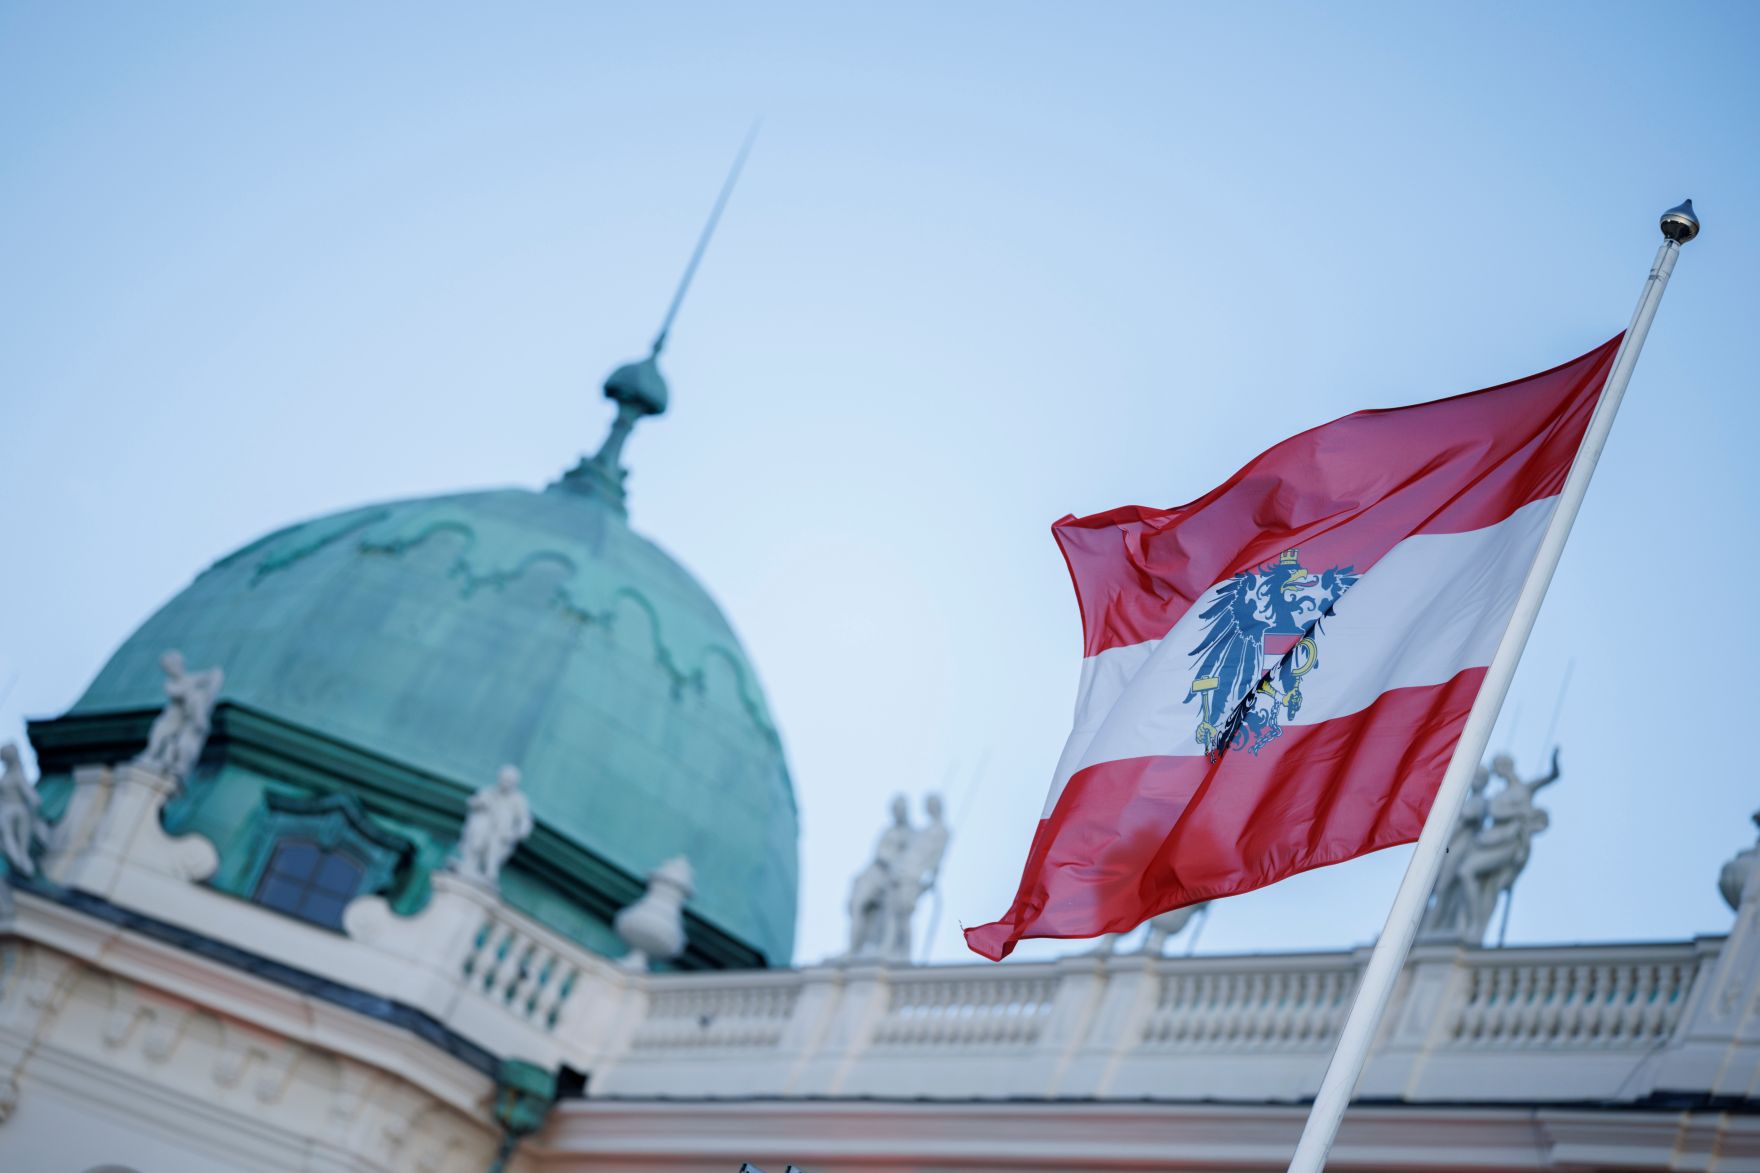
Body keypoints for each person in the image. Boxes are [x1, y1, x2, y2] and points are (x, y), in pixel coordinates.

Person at [449, 765, 534, 887]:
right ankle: (470, 863)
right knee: (480, 826)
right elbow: (473, 802)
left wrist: (513, 834)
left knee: (494, 843)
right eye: (504, 779)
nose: (505, 783)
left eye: (509, 781)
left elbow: (525, 822)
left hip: (501, 835)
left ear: (514, 784)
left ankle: (489, 872)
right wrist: (481, 803)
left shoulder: (518, 800)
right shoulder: (490, 791)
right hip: (484, 829)